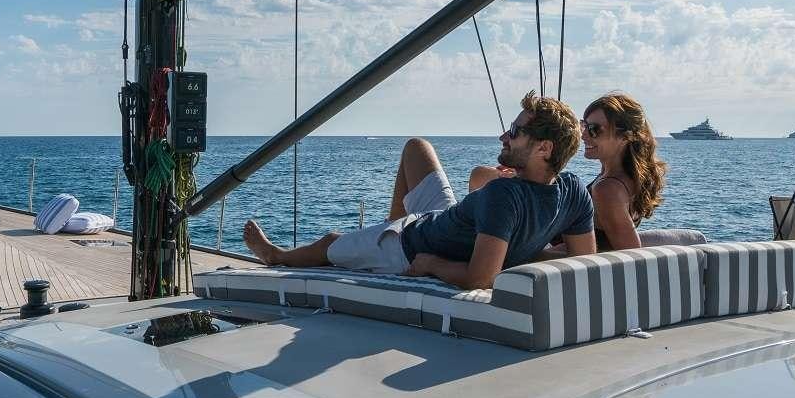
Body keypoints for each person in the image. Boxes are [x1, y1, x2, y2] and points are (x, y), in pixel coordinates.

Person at [242, 91, 596, 290]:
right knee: (416, 148)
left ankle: (276, 256)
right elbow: (585, 263)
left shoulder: (505, 195)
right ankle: (384, 230)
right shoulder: (574, 191)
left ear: (544, 149)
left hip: (413, 246)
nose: (504, 136)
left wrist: (431, 263)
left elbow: (481, 279)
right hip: (443, 219)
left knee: (330, 242)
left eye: (515, 132)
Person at [580, 93, 667, 251]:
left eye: (593, 129)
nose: (583, 135)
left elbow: (631, 256)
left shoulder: (608, 189)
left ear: (626, 136)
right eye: (584, 126)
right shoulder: (621, 178)